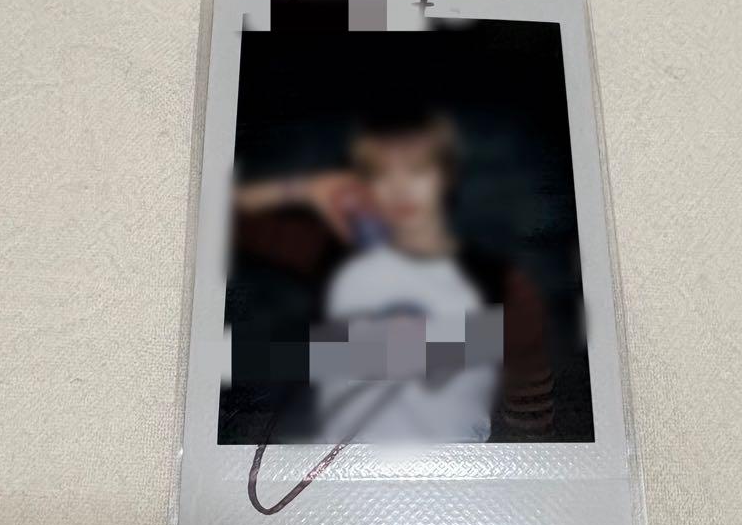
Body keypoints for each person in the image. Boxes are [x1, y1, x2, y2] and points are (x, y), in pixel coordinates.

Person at [232, 111, 554, 442]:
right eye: (379, 174)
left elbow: (531, 417)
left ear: (446, 176)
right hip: (343, 464)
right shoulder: (329, 255)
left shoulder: (500, 282)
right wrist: (305, 189)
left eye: (417, 170)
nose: (400, 189)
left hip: (451, 466)